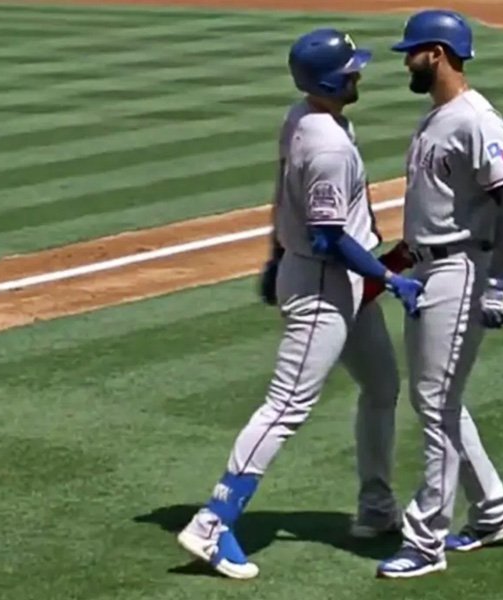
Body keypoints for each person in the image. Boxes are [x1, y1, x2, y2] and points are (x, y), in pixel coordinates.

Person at [176, 27, 424, 580]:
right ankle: (213, 522)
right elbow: (329, 235)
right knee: (286, 405)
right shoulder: (328, 145)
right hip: (323, 287)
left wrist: (271, 256)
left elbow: (281, 192)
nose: (359, 73)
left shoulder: (304, 117)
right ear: (332, 79)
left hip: (331, 281)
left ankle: (376, 508)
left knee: (382, 385)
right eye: (351, 68)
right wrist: (390, 275)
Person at [375, 9, 503, 579]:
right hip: (428, 269)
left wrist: (497, 283)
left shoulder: (477, 121)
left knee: (436, 403)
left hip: (462, 271)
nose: (406, 62)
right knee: (437, 401)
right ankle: (492, 511)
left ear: (436, 53)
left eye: (411, 52)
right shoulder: (435, 118)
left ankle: (426, 540)